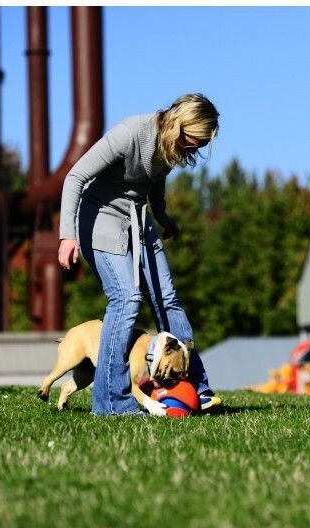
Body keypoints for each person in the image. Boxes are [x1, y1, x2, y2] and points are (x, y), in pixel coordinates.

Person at [57, 93, 222, 416]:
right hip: (100, 216)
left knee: (167, 298)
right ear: (178, 124)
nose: (194, 150)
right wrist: (67, 235)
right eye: (193, 141)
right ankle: (110, 403)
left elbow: (153, 180)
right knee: (126, 298)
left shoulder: (172, 145)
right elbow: (75, 177)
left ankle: (194, 385)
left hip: (139, 220)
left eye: (201, 145)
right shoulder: (130, 132)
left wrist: (161, 215)